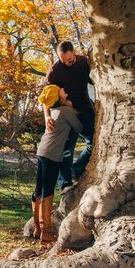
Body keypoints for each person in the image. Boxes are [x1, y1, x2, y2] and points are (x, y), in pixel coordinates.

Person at [32, 84, 82, 243]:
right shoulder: (66, 111)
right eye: (61, 90)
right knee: (47, 190)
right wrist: (71, 106)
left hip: (42, 151)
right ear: (58, 97)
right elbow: (79, 127)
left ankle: (37, 228)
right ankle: (46, 231)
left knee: (38, 189)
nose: (64, 89)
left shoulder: (53, 111)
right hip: (52, 155)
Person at [45, 41, 95, 192]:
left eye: (70, 59)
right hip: (66, 112)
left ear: (74, 52)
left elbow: (95, 80)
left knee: (94, 144)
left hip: (85, 109)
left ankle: (76, 170)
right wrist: (47, 117)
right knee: (65, 150)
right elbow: (46, 98)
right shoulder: (54, 71)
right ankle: (65, 184)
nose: (67, 62)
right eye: (63, 60)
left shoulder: (84, 62)